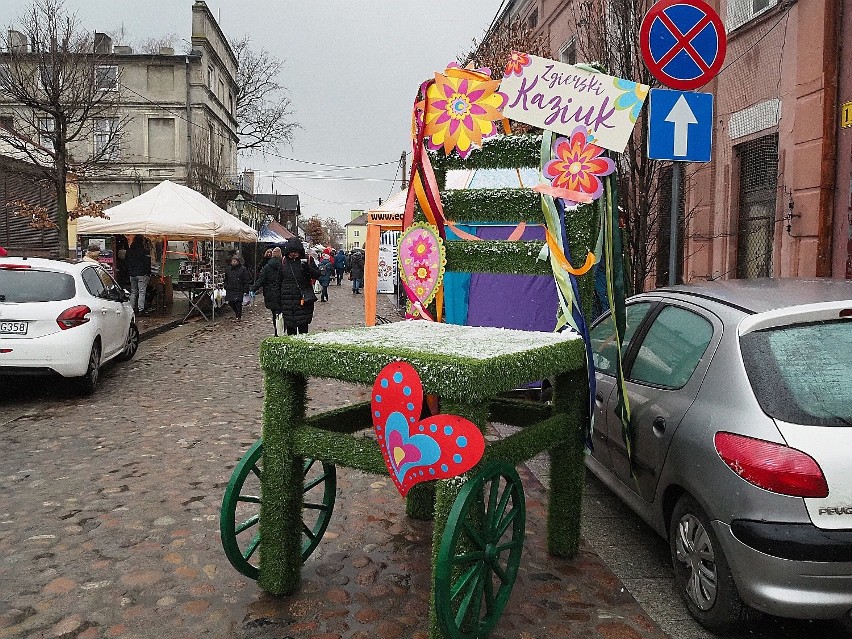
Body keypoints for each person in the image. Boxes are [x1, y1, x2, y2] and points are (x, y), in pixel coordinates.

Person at [279, 236, 321, 335]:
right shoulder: (283, 262)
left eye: (295, 252)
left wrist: (308, 269)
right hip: (288, 301)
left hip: (304, 300)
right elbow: (278, 281)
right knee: (291, 331)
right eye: (291, 252)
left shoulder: (307, 260)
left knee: (303, 329)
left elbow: (317, 275)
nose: (293, 254)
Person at [251, 246, 284, 335]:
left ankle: (277, 331)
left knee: (274, 314)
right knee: (282, 313)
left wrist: (253, 289)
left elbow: (261, 280)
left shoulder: (267, 267)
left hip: (270, 293)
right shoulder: (284, 265)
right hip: (282, 292)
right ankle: (282, 330)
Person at [125, 234, 151, 314]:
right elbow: (147, 263)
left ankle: (132, 309)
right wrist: (148, 273)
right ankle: (141, 309)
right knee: (142, 292)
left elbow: (126, 261)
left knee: (133, 292)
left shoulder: (129, 251)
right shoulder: (144, 251)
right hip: (142, 274)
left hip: (132, 274)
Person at [223, 254, 252, 320]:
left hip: (239, 288)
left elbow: (246, 279)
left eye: (235, 261)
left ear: (238, 262)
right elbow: (226, 278)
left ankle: (238, 315)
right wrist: (226, 285)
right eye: (232, 261)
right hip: (230, 288)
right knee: (231, 302)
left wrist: (245, 289)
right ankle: (236, 313)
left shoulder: (243, 269)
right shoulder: (229, 269)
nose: (233, 262)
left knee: (238, 302)